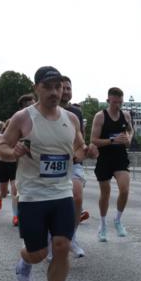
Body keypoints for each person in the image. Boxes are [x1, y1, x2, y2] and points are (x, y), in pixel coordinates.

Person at [0, 66, 86, 281]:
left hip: (61, 192)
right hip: (33, 195)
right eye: (48, 87)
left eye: (58, 87)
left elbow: (79, 146)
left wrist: (84, 152)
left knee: (62, 247)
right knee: (38, 253)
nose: (54, 92)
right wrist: (13, 152)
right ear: (37, 88)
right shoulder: (23, 118)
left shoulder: (71, 119)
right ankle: (25, 259)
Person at [60, 76, 97, 257]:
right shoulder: (42, 110)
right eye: (63, 88)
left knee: (77, 197)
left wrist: (85, 151)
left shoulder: (75, 113)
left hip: (73, 163)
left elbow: (80, 140)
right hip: (49, 164)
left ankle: (71, 237)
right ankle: (50, 240)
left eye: (69, 88)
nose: (66, 91)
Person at [90, 87, 133, 242]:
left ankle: (118, 220)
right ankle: (102, 225)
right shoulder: (100, 116)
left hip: (120, 157)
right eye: (114, 102)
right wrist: (113, 140)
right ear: (108, 100)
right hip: (104, 158)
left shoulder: (125, 115)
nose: (117, 106)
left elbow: (130, 130)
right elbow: (93, 140)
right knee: (105, 193)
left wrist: (128, 139)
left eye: (120, 102)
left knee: (125, 190)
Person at [0, 119, 20, 226]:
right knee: (4, 193)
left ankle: (15, 216)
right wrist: (4, 152)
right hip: (3, 165)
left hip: (14, 166)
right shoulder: (0, 138)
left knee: (15, 192)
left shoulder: (18, 138)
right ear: (6, 128)